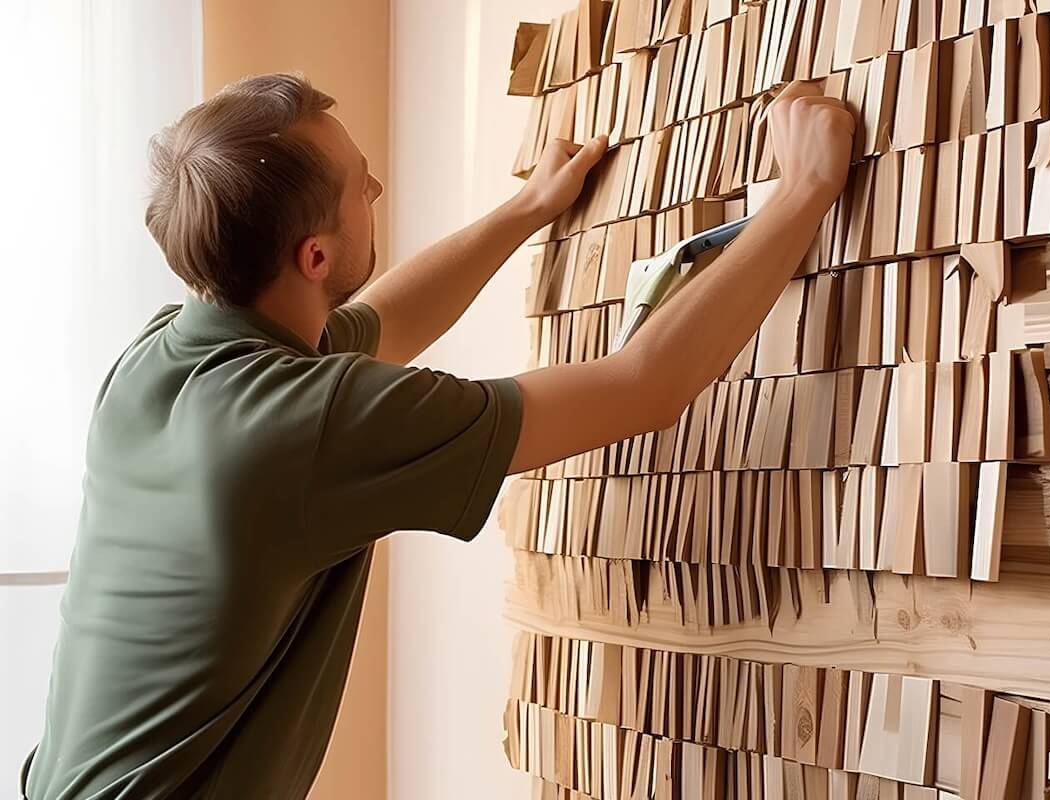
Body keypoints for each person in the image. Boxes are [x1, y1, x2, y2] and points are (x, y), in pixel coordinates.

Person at [21, 72, 853, 799]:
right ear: (314, 256)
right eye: (360, 185)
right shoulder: (306, 423)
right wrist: (806, 188)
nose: (376, 187)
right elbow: (642, 388)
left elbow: (384, 320)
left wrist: (528, 208)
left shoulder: (167, 353)